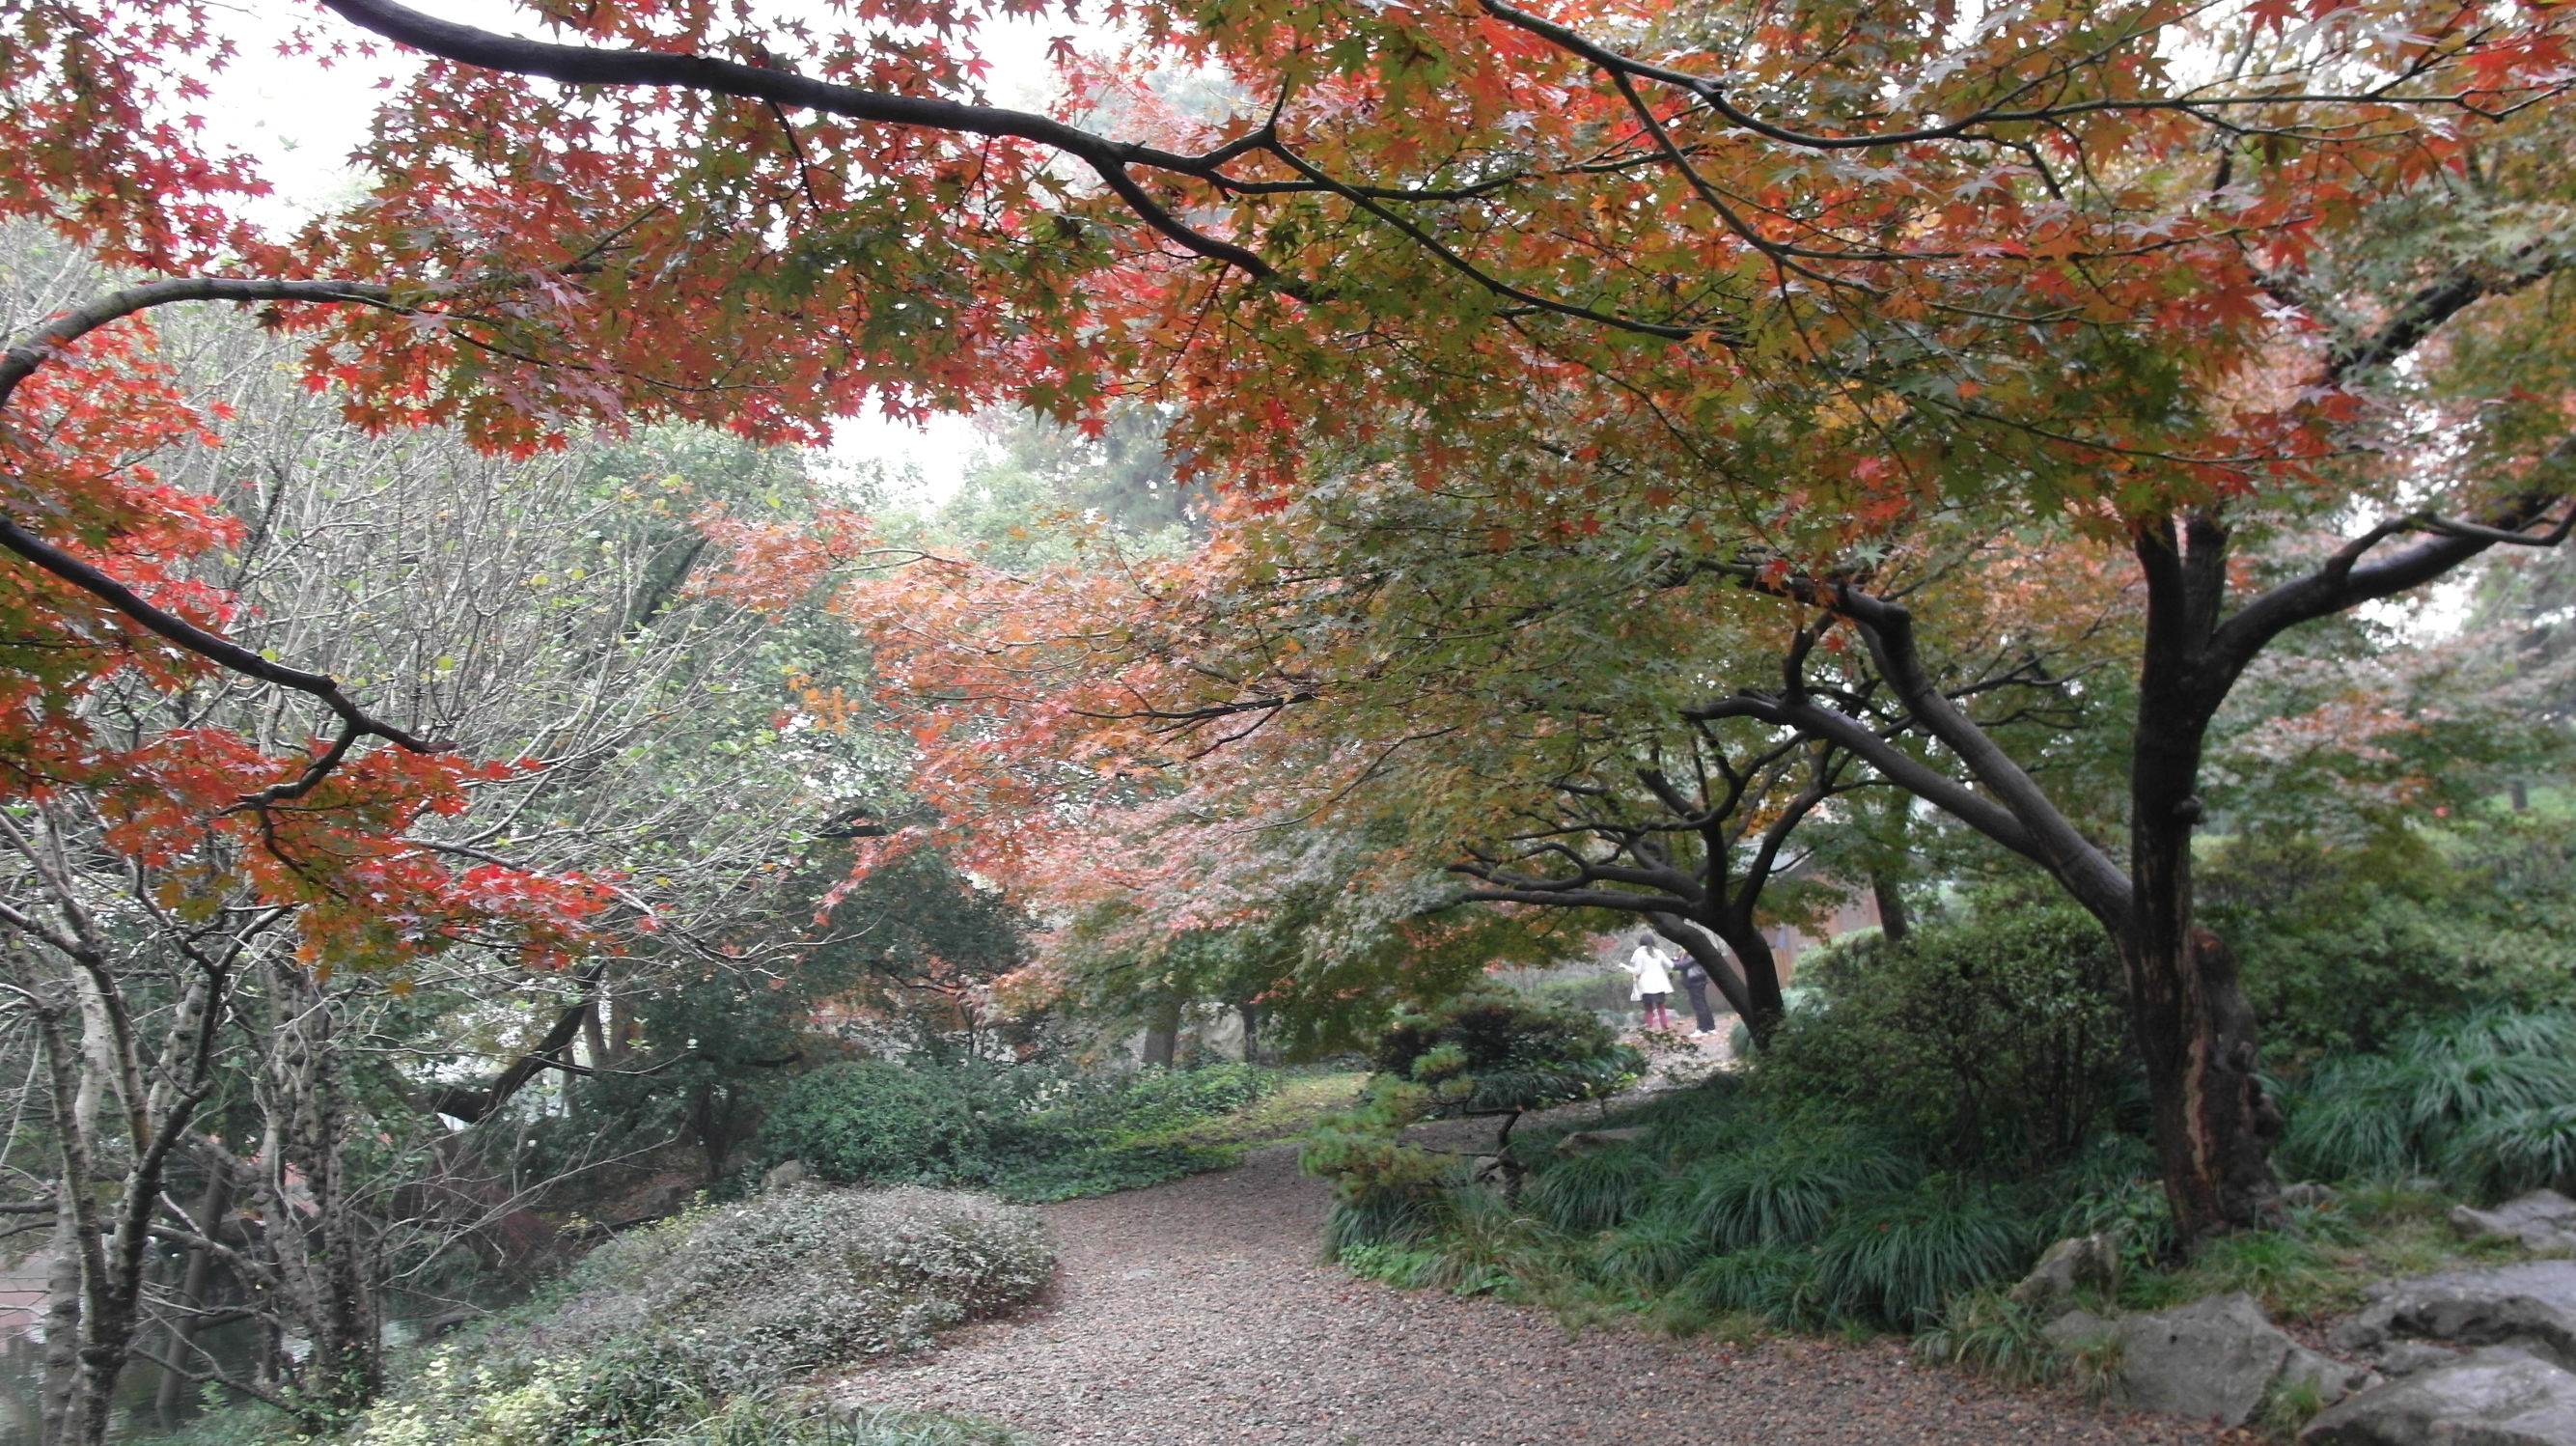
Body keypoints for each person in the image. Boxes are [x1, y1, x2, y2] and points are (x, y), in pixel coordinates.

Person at [1623, 937, 1676, 1033]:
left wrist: (1625, 967)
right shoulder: (1659, 952)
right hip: (1660, 983)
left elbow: (1637, 971)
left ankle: (1650, 1028)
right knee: (1661, 1007)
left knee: (1648, 1009)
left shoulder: (1639, 953)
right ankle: (1665, 1026)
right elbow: (1671, 964)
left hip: (1646, 985)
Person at [1676, 952, 1719, 1036]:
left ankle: (1702, 1029)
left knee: (1699, 1006)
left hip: (1695, 981)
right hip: (1698, 980)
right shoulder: (1688, 952)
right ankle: (1710, 1027)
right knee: (1703, 1004)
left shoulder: (1691, 953)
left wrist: (1672, 964)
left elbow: (1684, 965)